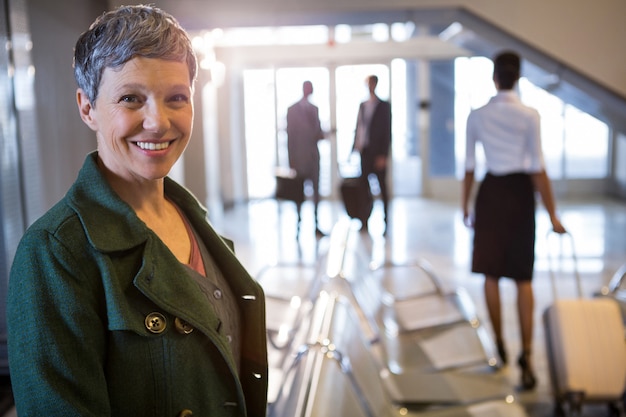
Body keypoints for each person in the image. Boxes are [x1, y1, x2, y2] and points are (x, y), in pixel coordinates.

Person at [7, 5, 268, 416]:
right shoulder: (56, 252)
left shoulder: (194, 222)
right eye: (131, 98)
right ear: (87, 107)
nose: (157, 122)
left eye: (176, 98)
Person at [461, 50, 566, 391]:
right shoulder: (530, 115)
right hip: (520, 195)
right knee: (524, 278)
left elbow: (469, 167)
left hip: (490, 194)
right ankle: (527, 354)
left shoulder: (477, 116)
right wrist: (552, 215)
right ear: (518, 78)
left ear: (494, 77)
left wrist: (466, 206)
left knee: (490, 275)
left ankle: (500, 345)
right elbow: (537, 168)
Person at [286, 80, 326, 237]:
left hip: (313, 158)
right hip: (299, 159)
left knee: (316, 192)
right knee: (298, 194)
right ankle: (299, 225)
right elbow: (290, 137)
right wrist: (291, 160)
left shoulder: (315, 110)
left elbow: (318, 132)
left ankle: (316, 224)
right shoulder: (292, 110)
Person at [352, 75, 392, 233]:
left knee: (383, 188)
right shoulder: (363, 105)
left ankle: (386, 221)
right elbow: (360, 128)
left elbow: (387, 131)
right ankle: (364, 220)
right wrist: (355, 147)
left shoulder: (383, 106)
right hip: (365, 151)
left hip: (378, 154)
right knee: (364, 188)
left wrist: (384, 155)